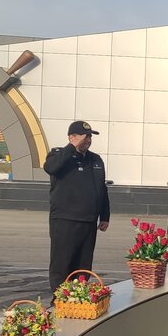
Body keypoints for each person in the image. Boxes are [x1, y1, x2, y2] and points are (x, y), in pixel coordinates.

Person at [44, 119, 110, 293]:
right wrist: (71, 147)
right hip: (65, 220)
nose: (88, 139)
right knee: (62, 262)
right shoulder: (59, 155)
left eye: (90, 137)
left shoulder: (95, 160)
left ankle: (78, 296)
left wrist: (104, 216)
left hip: (89, 221)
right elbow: (51, 168)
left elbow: (102, 189)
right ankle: (60, 297)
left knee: (83, 264)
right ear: (71, 137)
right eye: (84, 136)